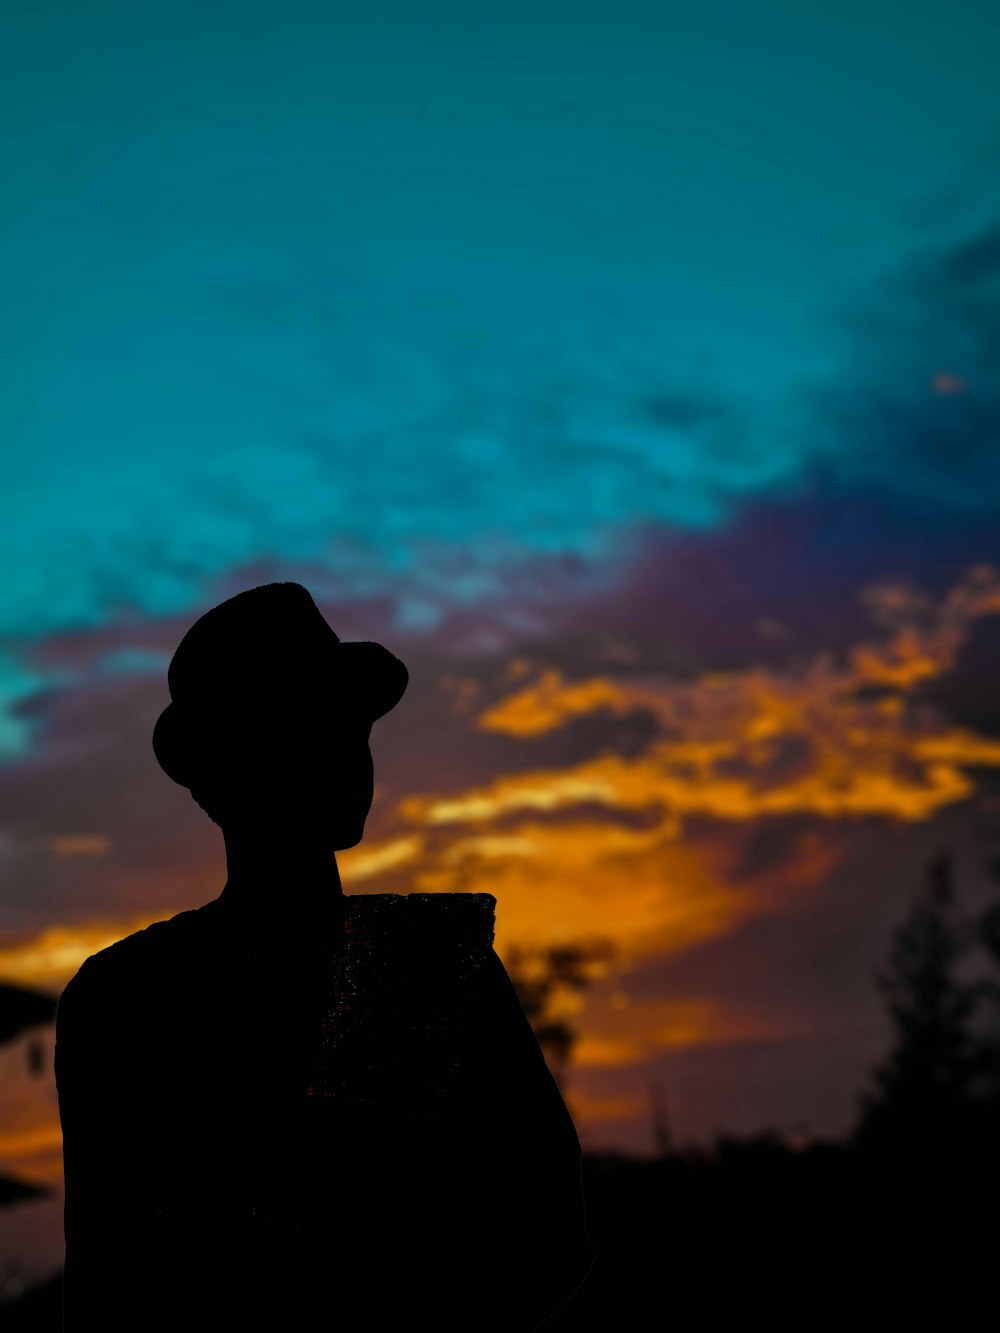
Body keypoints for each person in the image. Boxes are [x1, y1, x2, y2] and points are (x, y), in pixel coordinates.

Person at [55, 581, 594, 1331]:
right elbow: (111, 1275)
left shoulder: (424, 962)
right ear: (229, 763)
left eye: (352, 727)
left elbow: (545, 1222)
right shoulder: (127, 994)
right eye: (304, 726)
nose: (346, 752)